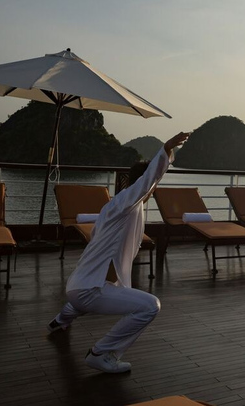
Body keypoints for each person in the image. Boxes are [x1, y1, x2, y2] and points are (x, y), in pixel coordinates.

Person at [47, 132, 190, 373]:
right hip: (89, 289)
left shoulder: (114, 208)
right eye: (153, 185)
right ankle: (101, 353)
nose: (153, 189)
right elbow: (147, 182)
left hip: (78, 287)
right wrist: (165, 150)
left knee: (80, 303)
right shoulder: (126, 202)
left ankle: (59, 322)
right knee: (149, 306)